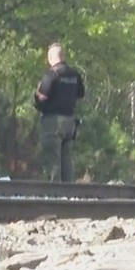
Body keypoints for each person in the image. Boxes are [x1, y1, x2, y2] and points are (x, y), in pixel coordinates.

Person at [34, 42, 85, 183]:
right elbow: (81, 95)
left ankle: (54, 195)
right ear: (63, 56)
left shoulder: (52, 74)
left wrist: (37, 94)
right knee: (66, 159)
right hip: (70, 121)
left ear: (50, 58)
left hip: (53, 122)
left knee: (52, 159)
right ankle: (69, 194)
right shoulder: (75, 74)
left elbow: (42, 97)